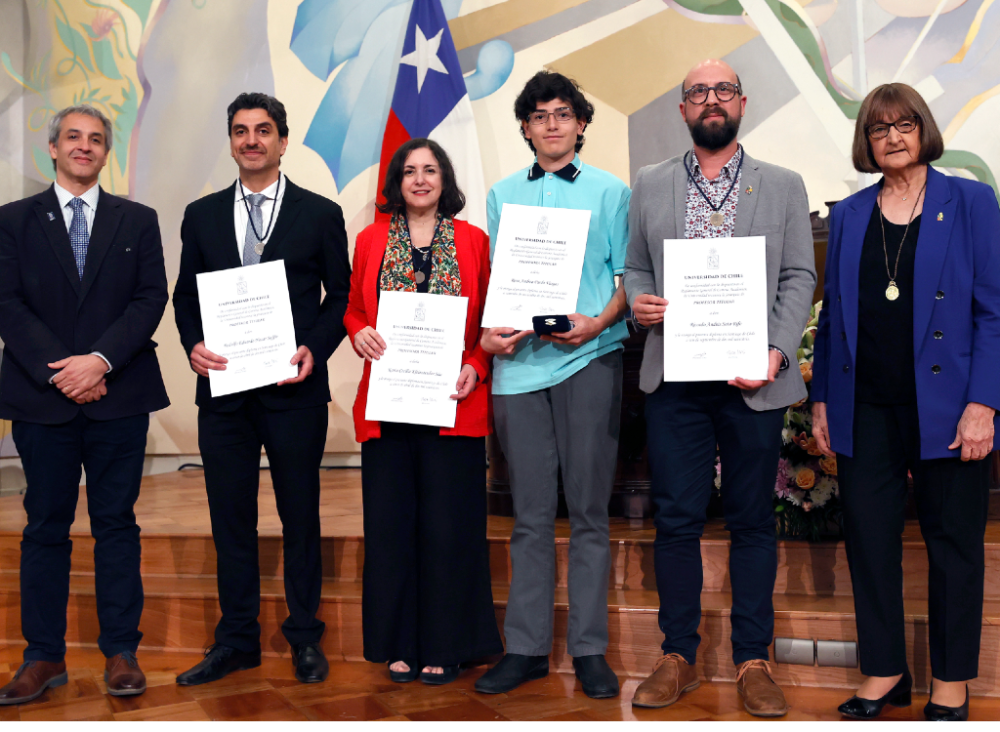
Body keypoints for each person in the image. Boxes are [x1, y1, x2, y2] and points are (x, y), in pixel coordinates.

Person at [624, 59, 815, 716]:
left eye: (723, 90)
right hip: (675, 378)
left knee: (752, 520)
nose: (711, 100)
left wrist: (774, 351)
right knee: (675, 520)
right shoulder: (649, 183)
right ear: (682, 109)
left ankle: (752, 660)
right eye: (698, 92)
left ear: (741, 103)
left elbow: (797, 277)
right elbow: (635, 265)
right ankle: (677, 654)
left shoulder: (783, 185)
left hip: (749, 381)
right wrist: (637, 302)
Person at [812, 83, 1000, 723]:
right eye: (878, 128)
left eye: (904, 124)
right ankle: (885, 669)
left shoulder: (970, 200)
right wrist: (822, 402)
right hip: (864, 405)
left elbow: (993, 313)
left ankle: (951, 680)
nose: (892, 137)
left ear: (924, 130)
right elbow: (833, 318)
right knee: (868, 538)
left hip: (949, 407)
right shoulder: (850, 214)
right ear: (867, 141)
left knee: (954, 543)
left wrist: (985, 403)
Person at [172, 92, 351, 686]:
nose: (251, 140)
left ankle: (304, 637)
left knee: (300, 515)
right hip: (223, 394)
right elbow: (184, 295)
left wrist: (314, 350)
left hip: (293, 389)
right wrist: (192, 343)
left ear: (282, 139)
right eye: (241, 131)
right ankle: (237, 639)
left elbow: (340, 296)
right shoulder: (200, 214)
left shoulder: (320, 212)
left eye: (263, 130)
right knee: (231, 518)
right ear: (231, 141)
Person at [0, 105, 170, 704]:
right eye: (73, 137)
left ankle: (121, 651)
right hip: (42, 401)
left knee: (116, 524)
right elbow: (8, 305)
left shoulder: (137, 219)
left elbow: (151, 298)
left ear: (106, 152)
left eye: (96, 139)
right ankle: (43, 658)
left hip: (118, 395)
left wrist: (97, 361)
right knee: (45, 527)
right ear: (53, 148)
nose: (84, 146)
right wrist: (64, 373)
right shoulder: (13, 221)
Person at [473, 70, 630, 700]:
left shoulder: (612, 191)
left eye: (563, 113)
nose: (553, 123)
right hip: (519, 368)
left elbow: (628, 277)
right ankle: (528, 648)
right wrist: (492, 332)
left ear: (581, 123)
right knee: (530, 517)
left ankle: (589, 649)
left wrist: (596, 322)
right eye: (540, 115)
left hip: (588, 358)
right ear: (526, 128)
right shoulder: (500, 193)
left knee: (590, 511)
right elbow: (495, 284)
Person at [345, 138, 502, 686]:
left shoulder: (475, 241)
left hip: (452, 406)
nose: (419, 179)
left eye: (430, 170)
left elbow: (490, 319)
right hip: (387, 409)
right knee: (391, 530)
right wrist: (357, 331)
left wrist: (478, 365)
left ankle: (447, 644)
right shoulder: (368, 240)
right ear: (396, 181)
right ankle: (399, 643)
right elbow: (354, 309)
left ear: (445, 179)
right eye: (409, 171)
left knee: (449, 529)